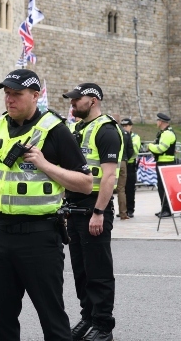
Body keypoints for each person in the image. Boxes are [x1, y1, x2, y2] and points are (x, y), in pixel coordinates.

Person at [0, 69, 92, 341]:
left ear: (35, 96)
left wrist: (45, 165)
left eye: (16, 93)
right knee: (2, 319)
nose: (9, 99)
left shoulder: (56, 130)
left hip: (39, 237)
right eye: (6, 93)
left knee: (52, 319)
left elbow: (85, 183)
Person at [62, 83, 122, 341]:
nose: (73, 103)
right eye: (72, 100)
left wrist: (99, 211)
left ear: (94, 100)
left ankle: (103, 324)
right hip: (73, 209)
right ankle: (88, 318)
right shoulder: (75, 128)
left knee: (98, 270)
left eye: (77, 99)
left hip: (93, 208)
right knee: (81, 271)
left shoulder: (106, 130)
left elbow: (109, 176)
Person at [145, 113, 177, 217]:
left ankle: (167, 210)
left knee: (164, 188)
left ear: (161, 122)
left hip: (165, 163)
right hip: (163, 163)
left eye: (157, 120)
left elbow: (161, 149)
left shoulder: (167, 134)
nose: (156, 122)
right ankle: (164, 208)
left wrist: (150, 146)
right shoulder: (164, 133)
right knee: (162, 188)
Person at [116, 118, 139, 220]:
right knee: (122, 189)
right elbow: (129, 150)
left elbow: (134, 150)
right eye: (123, 126)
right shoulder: (125, 134)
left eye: (127, 126)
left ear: (131, 126)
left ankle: (129, 209)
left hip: (130, 165)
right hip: (125, 163)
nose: (125, 127)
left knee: (129, 189)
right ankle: (123, 210)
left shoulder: (135, 137)